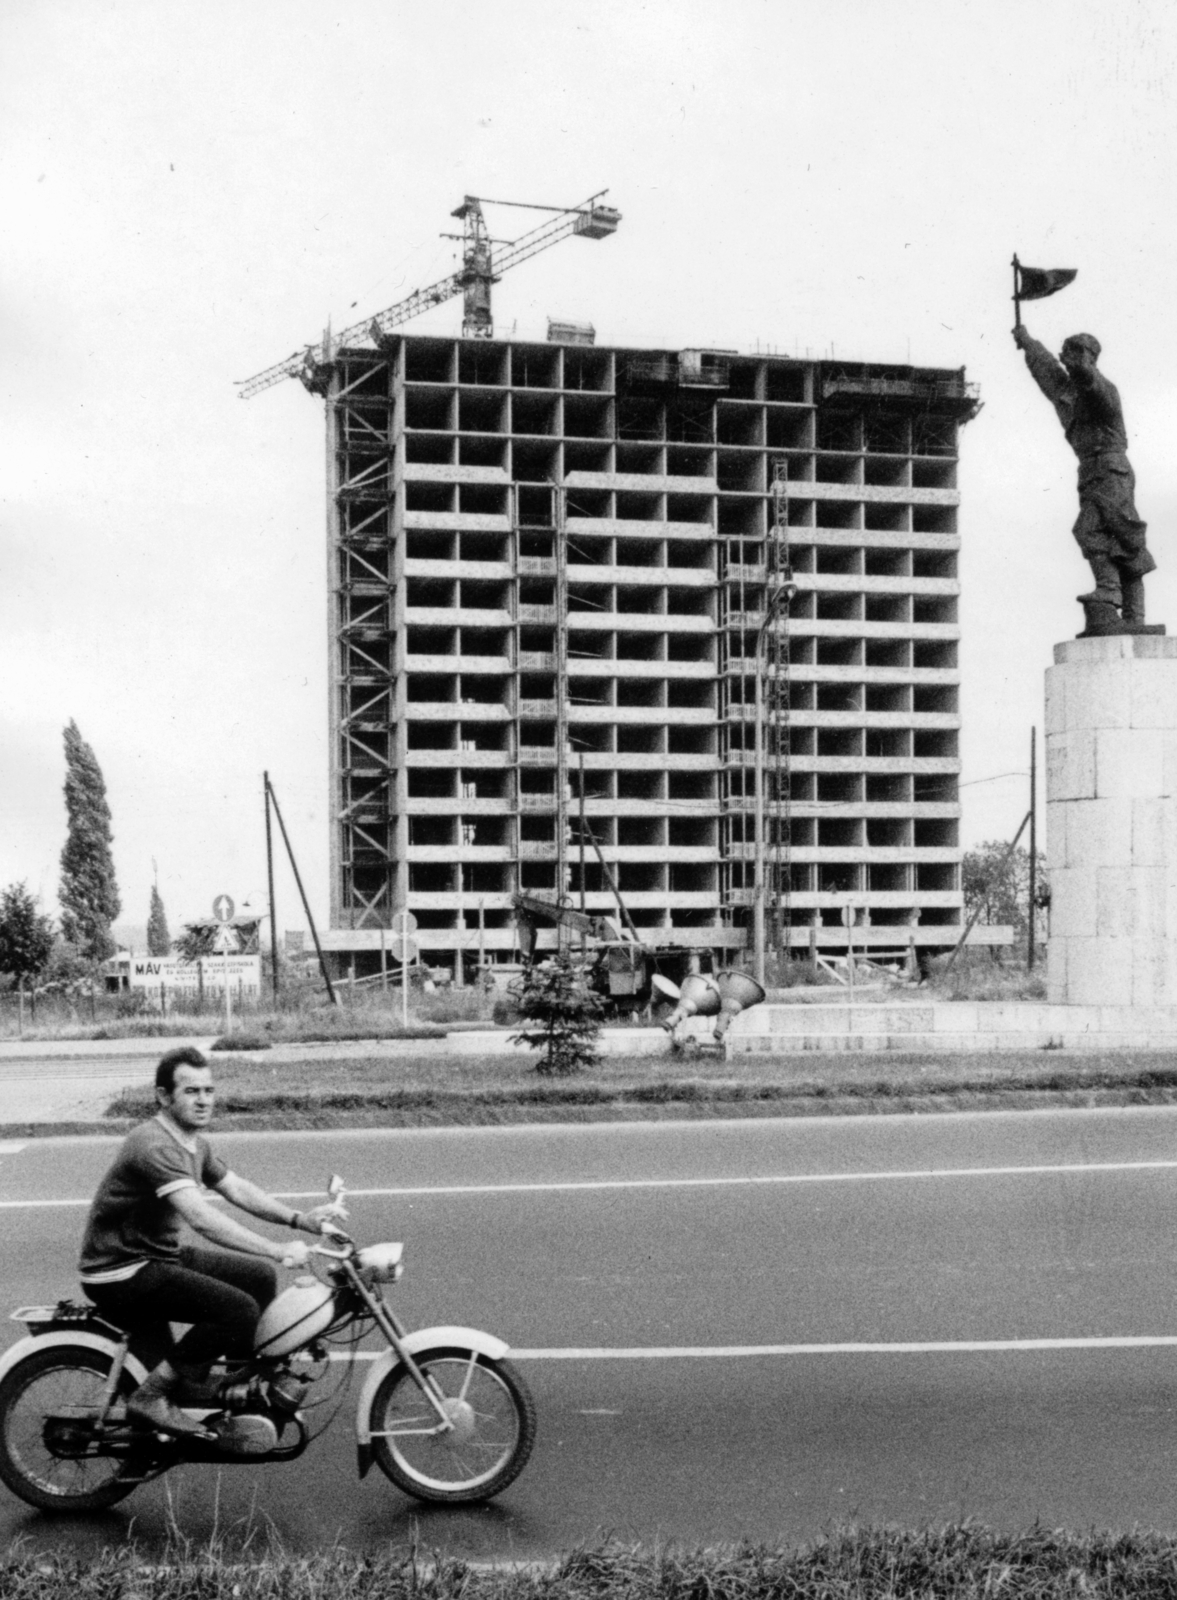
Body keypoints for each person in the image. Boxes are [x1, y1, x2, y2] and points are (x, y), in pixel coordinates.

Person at [78, 1046, 340, 1438]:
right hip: (119, 1270)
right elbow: (203, 1219)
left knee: (257, 1278)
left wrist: (299, 1220)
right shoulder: (153, 1144)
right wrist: (277, 1248)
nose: (203, 1100)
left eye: (208, 1090)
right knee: (238, 1310)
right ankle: (152, 1396)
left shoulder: (193, 1143)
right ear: (164, 1097)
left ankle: (236, 1385)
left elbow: (238, 1189)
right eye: (191, 1091)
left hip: (155, 1255)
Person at [1012, 322, 1154, 623]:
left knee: (1094, 531)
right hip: (1093, 470)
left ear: (1090, 358)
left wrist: (1084, 368)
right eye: (1067, 353)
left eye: (1078, 354)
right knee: (1122, 539)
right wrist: (1028, 342)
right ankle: (1134, 616)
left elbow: (1095, 389)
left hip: (1110, 469)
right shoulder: (1068, 393)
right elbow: (1047, 371)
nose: (1068, 359)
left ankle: (1109, 589)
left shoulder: (1102, 389)